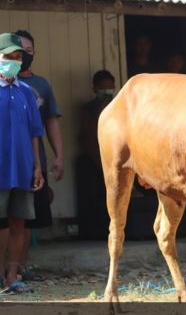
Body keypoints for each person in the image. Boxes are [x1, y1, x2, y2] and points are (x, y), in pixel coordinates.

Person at [14, 30, 64, 281]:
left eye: (29, 51)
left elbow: (49, 123)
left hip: (34, 164)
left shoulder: (40, 85)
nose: (24, 56)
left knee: (27, 220)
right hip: (6, 164)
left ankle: (18, 269)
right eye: (19, 50)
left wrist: (59, 156)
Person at [0, 32, 45, 293]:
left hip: (23, 169)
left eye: (17, 58)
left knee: (19, 222)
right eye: (7, 57)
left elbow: (34, 132)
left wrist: (37, 166)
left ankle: (12, 276)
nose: (13, 62)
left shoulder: (27, 92)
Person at [75, 70, 115, 239]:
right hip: (94, 159)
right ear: (94, 89)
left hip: (115, 159)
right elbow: (89, 135)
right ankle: (95, 233)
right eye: (102, 88)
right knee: (96, 197)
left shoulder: (119, 106)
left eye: (109, 88)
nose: (106, 92)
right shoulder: (88, 109)